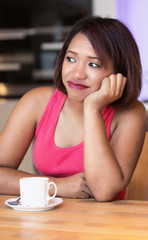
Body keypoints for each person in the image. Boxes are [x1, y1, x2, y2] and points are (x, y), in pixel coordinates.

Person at [0, 16, 147, 201]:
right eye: (71, 59)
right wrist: (57, 185)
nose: (77, 74)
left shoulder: (131, 113)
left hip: (104, 225)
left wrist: (92, 108)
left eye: (93, 64)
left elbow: (104, 190)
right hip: (48, 222)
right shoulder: (36, 102)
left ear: (119, 73)